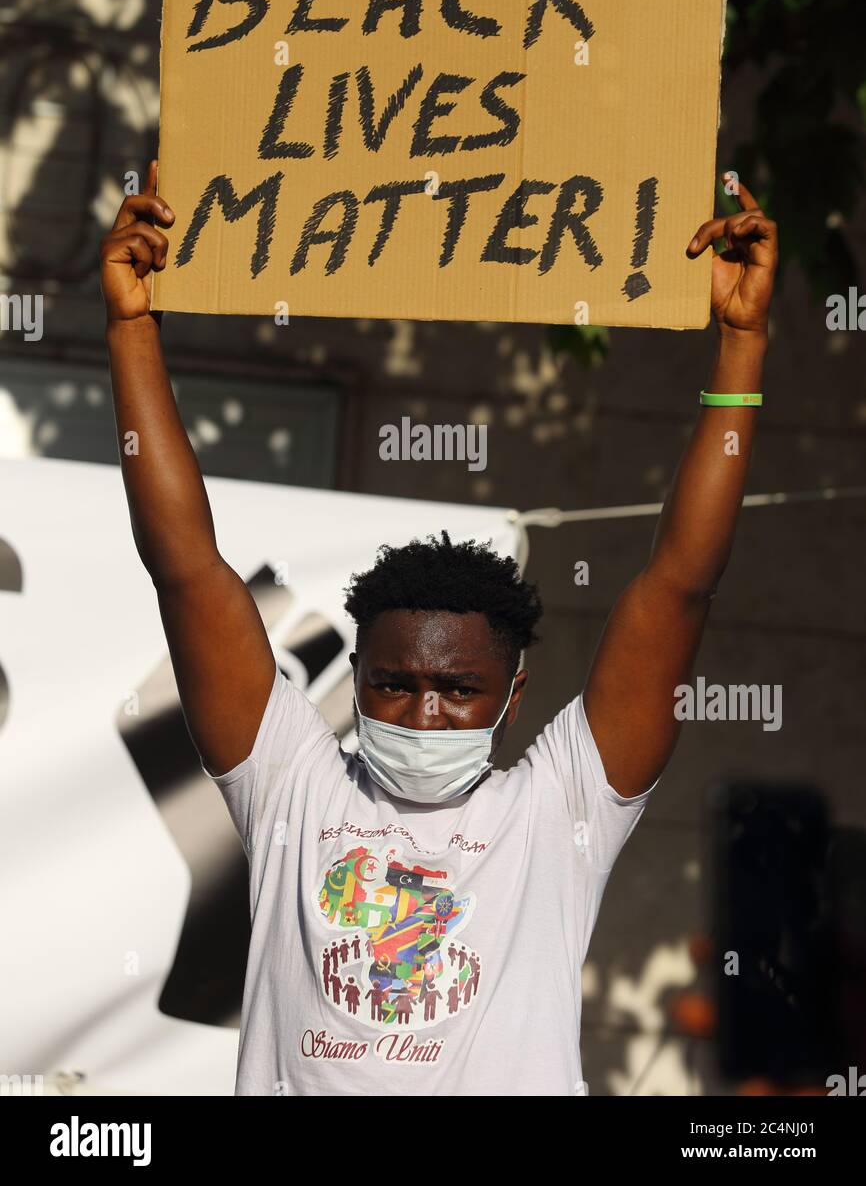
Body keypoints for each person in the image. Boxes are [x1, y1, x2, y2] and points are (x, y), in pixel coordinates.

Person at [101, 161, 778, 1095]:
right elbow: (184, 567)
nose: (423, 714)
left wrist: (741, 345)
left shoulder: (557, 812)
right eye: (394, 684)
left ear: (512, 696)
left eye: (458, 690)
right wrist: (132, 329)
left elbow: (679, 586)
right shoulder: (293, 787)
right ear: (356, 678)